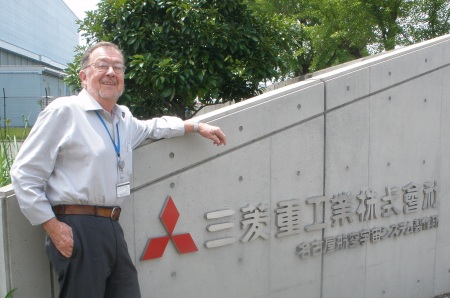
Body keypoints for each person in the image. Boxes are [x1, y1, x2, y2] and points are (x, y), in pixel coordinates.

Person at [10, 41, 226, 298]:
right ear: (84, 76)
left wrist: (196, 126)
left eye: (117, 67)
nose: (111, 72)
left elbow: (155, 127)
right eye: (102, 65)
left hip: (112, 225)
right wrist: (53, 227)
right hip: (77, 225)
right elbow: (24, 173)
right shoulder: (64, 111)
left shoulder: (123, 119)